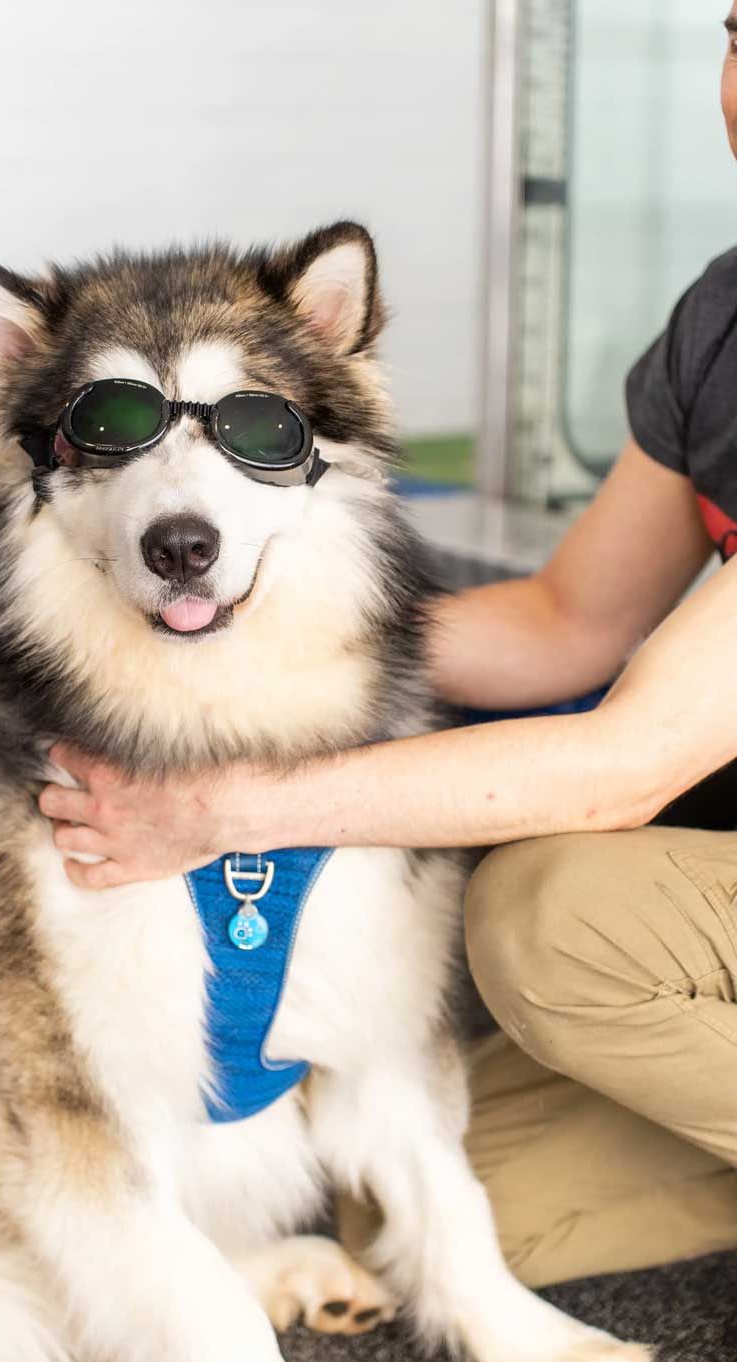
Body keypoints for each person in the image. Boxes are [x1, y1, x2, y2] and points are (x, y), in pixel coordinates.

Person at [37, 13, 737, 1289]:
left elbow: (621, 768)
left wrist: (222, 803)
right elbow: (568, 623)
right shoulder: (724, 317)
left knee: (551, 919)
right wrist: (250, 661)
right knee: (428, 1218)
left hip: (672, 857)